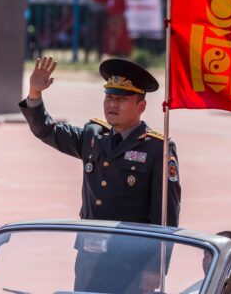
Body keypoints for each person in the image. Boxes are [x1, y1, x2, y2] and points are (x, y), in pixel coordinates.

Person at [19, 57, 181, 290]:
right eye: (109, 97)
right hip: (89, 255)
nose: (112, 105)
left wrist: (156, 268)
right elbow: (47, 130)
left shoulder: (157, 148)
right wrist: (35, 93)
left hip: (131, 262)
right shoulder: (93, 135)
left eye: (121, 99)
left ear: (141, 106)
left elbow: (166, 214)